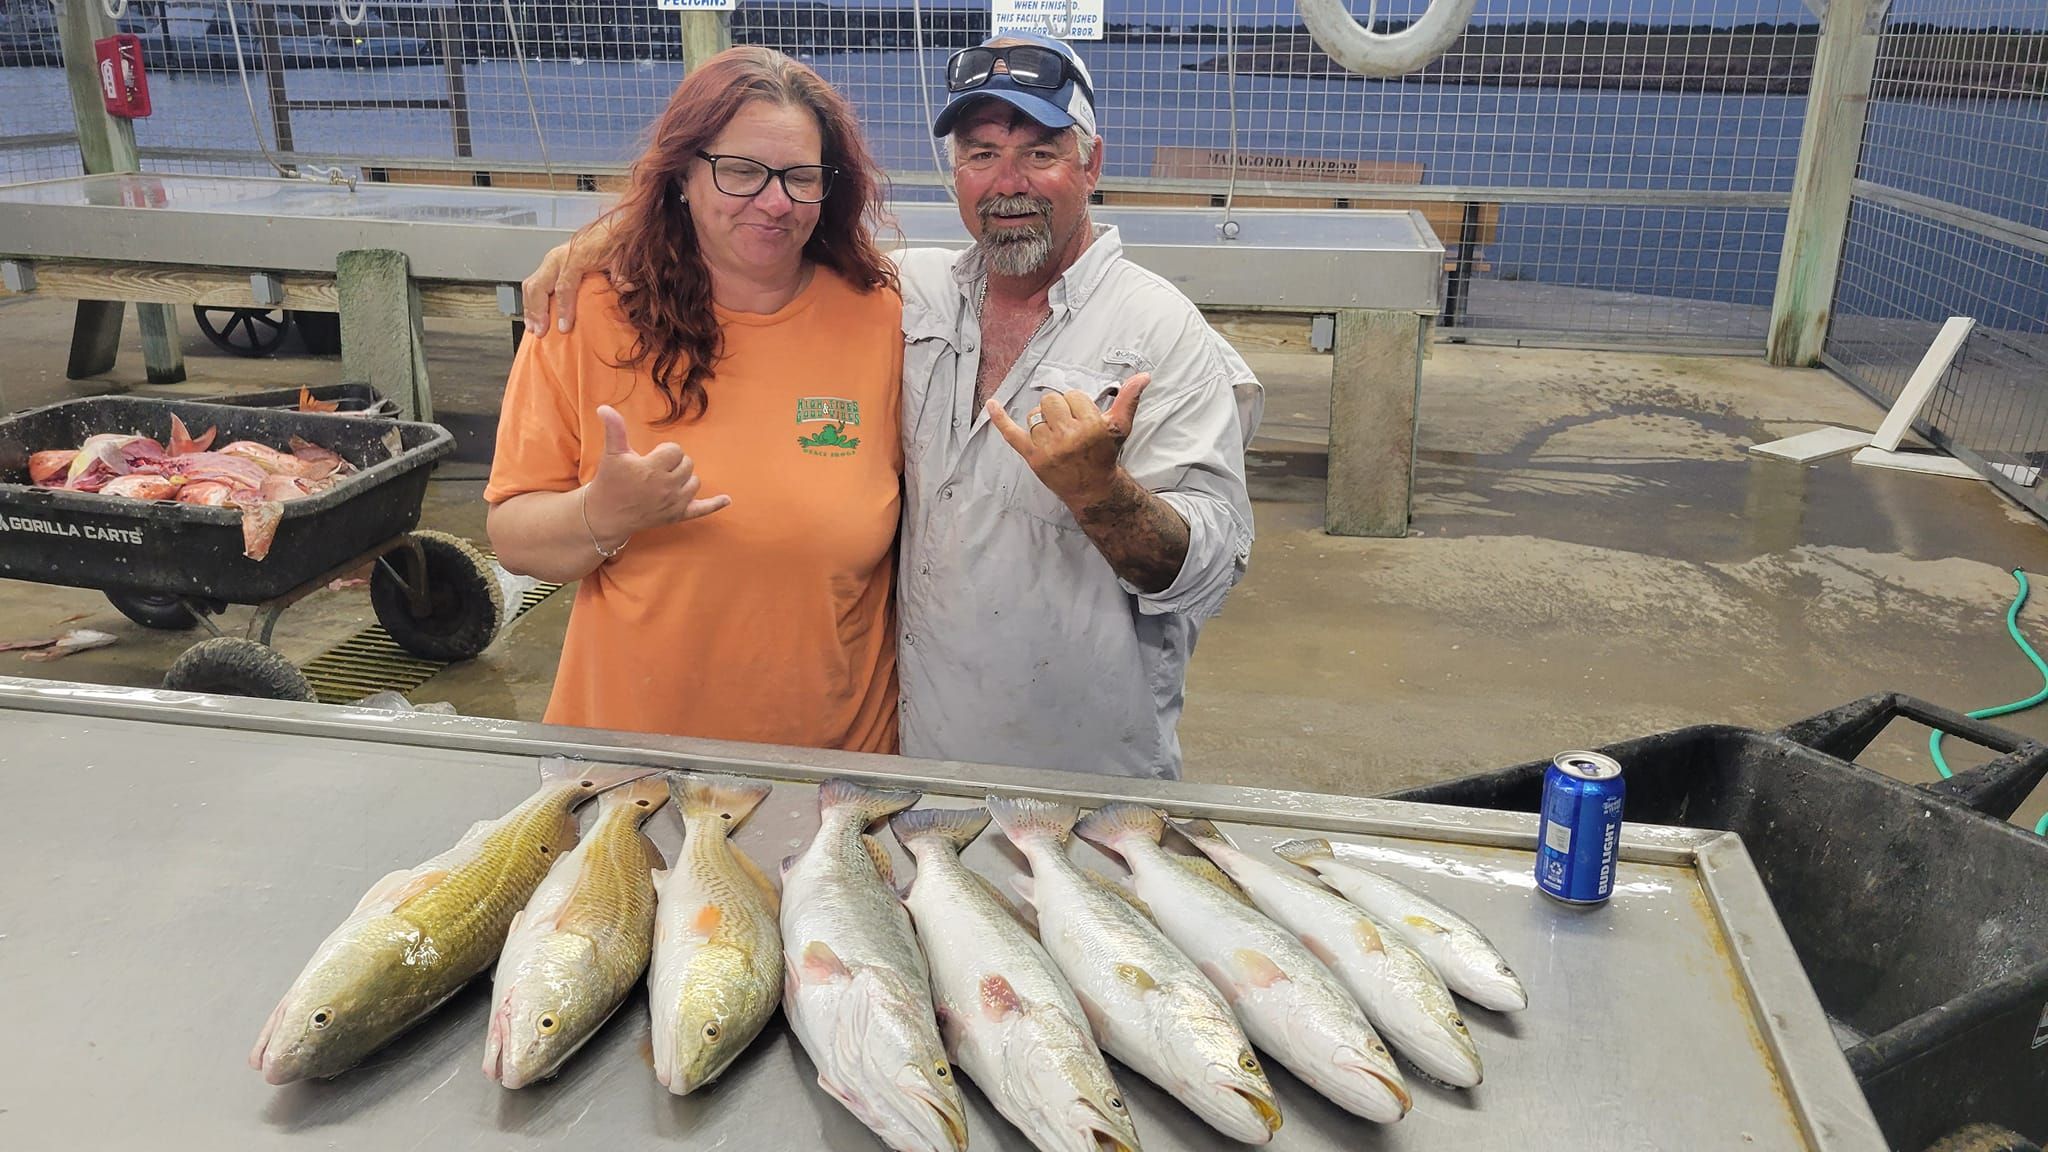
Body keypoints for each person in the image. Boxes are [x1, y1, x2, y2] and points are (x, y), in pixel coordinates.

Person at [521, 33, 1259, 779]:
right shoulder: (908, 296)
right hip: (913, 775)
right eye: (980, 154)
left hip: (1080, 780)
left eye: (1040, 154)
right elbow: (753, 227)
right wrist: (614, 233)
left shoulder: (1161, 334)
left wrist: (1104, 496)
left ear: (1091, 163)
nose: (1009, 182)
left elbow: (1209, 571)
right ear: (955, 172)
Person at [485, 46, 905, 753]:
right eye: (740, 171)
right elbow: (513, 538)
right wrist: (602, 515)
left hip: (837, 770)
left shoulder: (884, 312)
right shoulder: (583, 311)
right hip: (632, 763)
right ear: (683, 169)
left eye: (801, 178)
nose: (775, 202)